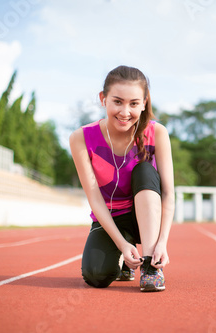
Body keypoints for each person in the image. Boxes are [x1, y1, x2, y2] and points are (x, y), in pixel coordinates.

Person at [70, 65, 174, 292]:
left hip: (145, 216)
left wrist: (162, 242)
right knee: (96, 276)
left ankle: (149, 267)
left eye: (134, 103)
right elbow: (95, 199)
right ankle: (123, 260)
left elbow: (167, 193)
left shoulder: (156, 133)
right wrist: (122, 244)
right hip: (111, 217)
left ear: (144, 103)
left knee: (145, 170)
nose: (125, 112)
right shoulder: (81, 138)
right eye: (117, 101)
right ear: (103, 99)